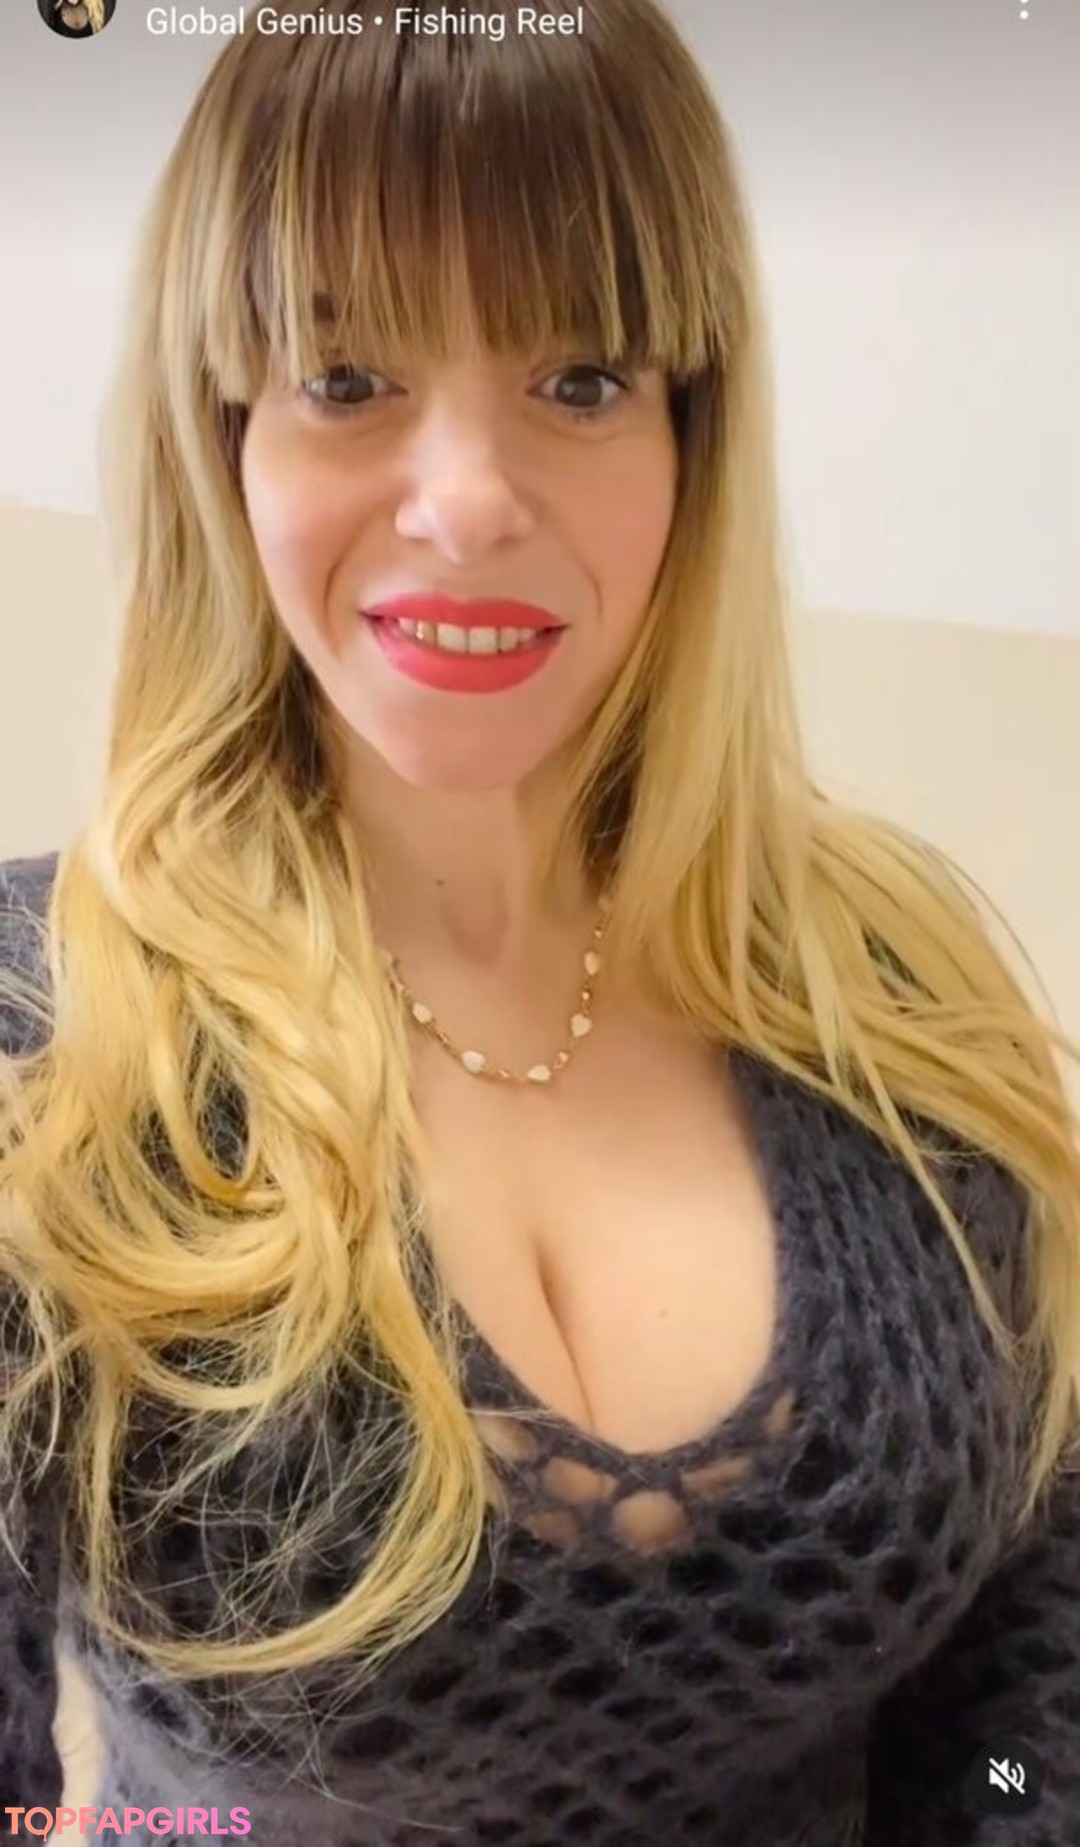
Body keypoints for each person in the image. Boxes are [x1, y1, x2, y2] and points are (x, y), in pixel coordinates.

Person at [1, 1, 1078, 1842]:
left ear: (691, 434)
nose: (469, 504)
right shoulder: (47, 1043)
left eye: (580, 380)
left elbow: (1016, 1680)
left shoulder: (898, 998)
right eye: (347, 376)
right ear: (223, 429)